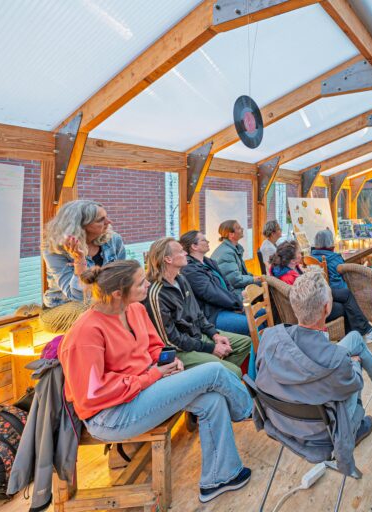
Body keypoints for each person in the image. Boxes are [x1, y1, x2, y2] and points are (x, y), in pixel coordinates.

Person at [58, 260, 253, 504]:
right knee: (213, 371)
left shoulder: (135, 310)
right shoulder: (85, 333)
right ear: (118, 293)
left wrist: (169, 361)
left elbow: (154, 346)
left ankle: (220, 477)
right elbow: (94, 393)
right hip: (110, 415)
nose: (148, 285)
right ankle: (253, 412)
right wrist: (154, 375)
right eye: (141, 283)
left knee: (212, 400)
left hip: (143, 391)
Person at [254, 268, 372, 474]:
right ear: (327, 308)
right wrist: (353, 363)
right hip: (324, 432)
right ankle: (356, 426)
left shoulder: (269, 337)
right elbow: (355, 384)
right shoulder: (337, 360)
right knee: (355, 364)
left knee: (354, 338)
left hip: (280, 421)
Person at [143, 238, 252, 378]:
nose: (185, 253)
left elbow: (198, 314)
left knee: (245, 343)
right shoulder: (156, 293)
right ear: (168, 259)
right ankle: (222, 375)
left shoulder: (181, 279)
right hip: (180, 350)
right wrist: (210, 348)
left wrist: (215, 334)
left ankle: (218, 378)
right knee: (235, 371)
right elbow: (169, 341)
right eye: (180, 251)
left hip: (197, 336)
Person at [270, 240, 372, 344]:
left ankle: (360, 334)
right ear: (292, 260)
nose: (301, 254)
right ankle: (362, 333)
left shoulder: (283, 269)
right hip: (311, 308)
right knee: (345, 305)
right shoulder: (288, 277)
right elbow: (305, 297)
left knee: (346, 295)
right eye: (298, 253)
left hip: (313, 297)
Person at [40, 200, 126, 332]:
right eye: (100, 220)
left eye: (106, 217)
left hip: (102, 302)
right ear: (80, 226)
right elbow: (78, 297)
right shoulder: (54, 250)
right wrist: (79, 259)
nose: (109, 222)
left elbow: (122, 277)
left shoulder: (114, 240)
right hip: (60, 309)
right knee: (92, 308)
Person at [179, 230, 257, 336]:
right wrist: (237, 304)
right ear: (194, 246)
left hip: (227, 306)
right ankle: (257, 346)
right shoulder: (190, 269)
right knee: (253, 324)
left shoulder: (209, 262)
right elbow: (212, 293)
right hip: (213, 315)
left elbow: (227, 284)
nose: (208, 242)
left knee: (262, 314)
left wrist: (237, 302)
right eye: (204, 240)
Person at [211, 219, 264, 297]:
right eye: (238, 228)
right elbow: (235, 280)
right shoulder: (227, 253)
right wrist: (253, 279)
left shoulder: (232, 249)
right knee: (265, 286)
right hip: (230, 293)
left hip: (232, 288)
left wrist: (254, 277)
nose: (242, 229)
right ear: (231, 234)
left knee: (263, 283)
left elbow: (241, 274)